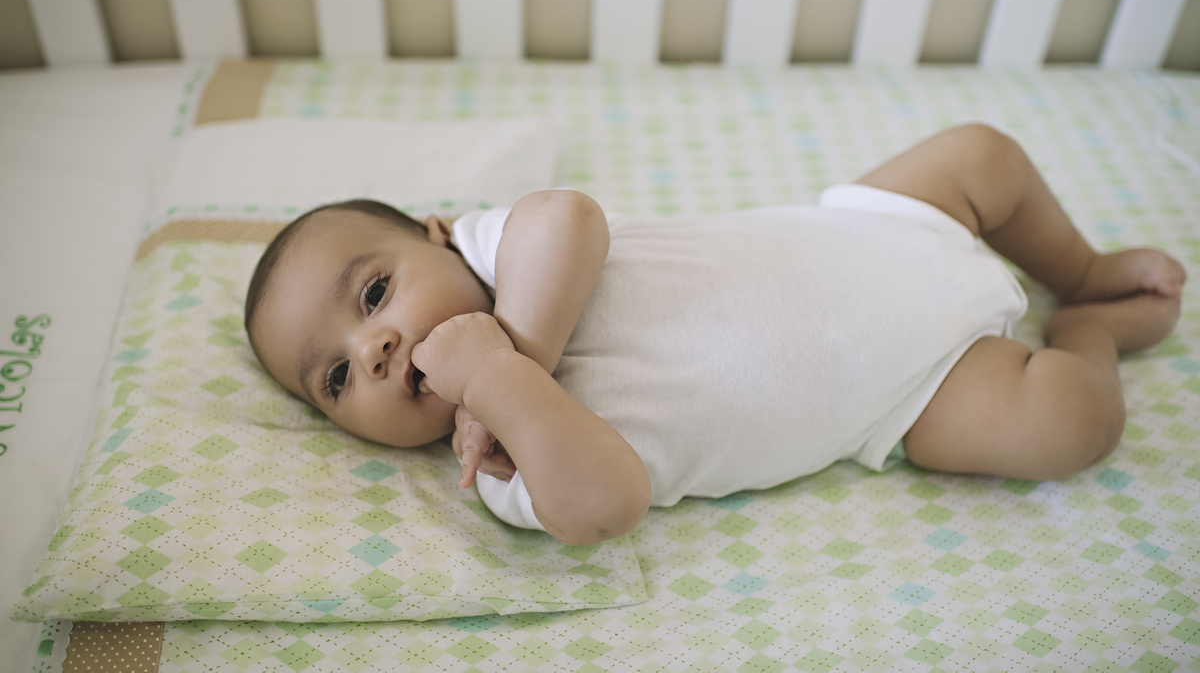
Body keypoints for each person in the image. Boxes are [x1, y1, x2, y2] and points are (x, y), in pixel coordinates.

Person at [244, 124, 1186, 546]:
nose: (370, 349)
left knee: (982, 153)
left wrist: (514, 347)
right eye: (333, 378)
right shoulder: (499, 462)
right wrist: (499, 389)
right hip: (916, 387)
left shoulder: (498, 251)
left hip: (874, 226)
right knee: (1070, 425)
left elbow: (572, 216)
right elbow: (612, 500)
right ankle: (1089, 329)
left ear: (438, 233)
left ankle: (1082, 268)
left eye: (373, 293)